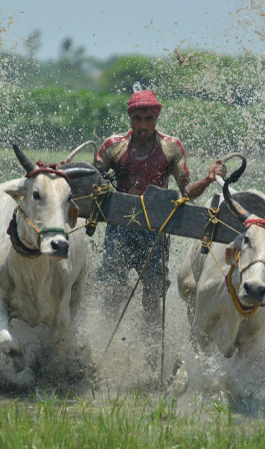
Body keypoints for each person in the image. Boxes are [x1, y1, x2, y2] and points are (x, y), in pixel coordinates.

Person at [94, 89, 226, 322]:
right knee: (112, 289)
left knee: (153, 294)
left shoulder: (170, 147)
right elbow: (93, 183)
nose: (143, 126)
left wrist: (208, 179)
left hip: (156, 231)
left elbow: (187, 193)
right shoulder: (114, 146)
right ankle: (104, 338)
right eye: (137, 119)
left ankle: (151, 350)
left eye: (149, 119)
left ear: (157, 119)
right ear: (129, 118)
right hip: (119, 228)